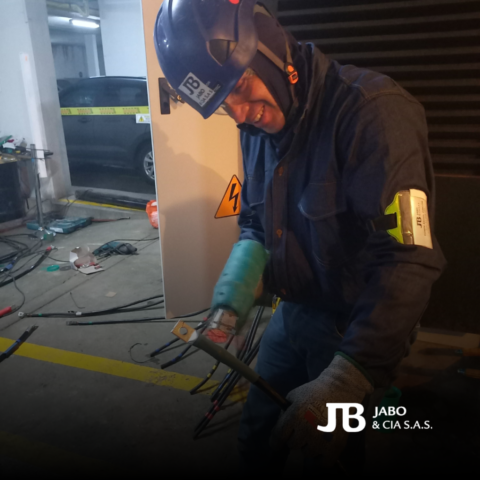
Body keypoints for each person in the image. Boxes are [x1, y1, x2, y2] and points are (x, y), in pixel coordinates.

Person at [154, 0, 446, 475]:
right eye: (224, 107)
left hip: (351, 329)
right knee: (257, 432)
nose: (241, 115)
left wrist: (348, 376)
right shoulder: (255, 126)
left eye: (240, 87)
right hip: (293, 314)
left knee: (330, 454)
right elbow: (256, 222)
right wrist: (229, 303)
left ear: (270, 51)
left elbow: (409, 258)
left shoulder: (372, 114)